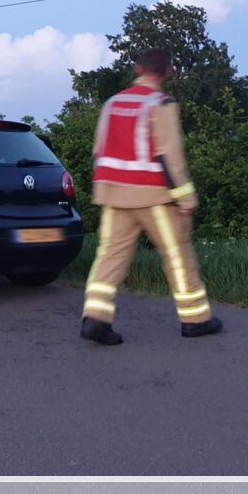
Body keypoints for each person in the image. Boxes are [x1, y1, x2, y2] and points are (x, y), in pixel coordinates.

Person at [81, 48, 223, 345]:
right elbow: (170, 157)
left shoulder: (111, 104)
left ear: (137, 69)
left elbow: (98, 152)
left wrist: (107, 190)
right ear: (168, 72)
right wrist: (186, 198)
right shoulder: (162, 104)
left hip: (114, 196)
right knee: (177, 256)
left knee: (109, 256)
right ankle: (195, 319)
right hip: (154, 197)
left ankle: (95, 319)